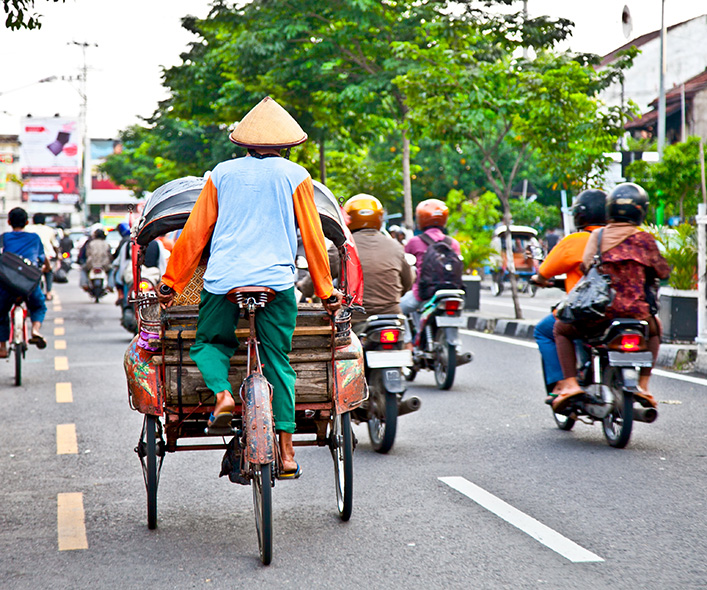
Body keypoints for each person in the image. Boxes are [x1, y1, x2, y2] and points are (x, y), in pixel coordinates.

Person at [156, 96, 342, 478]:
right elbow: (312, 236)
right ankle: (288, 453)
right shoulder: (297, 176)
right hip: (276, 282)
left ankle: (223, 395)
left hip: (224, 279)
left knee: (209, 342)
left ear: (243, 145)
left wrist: (171, 283)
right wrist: (326, 292)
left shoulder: (220, 174)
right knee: (278, 361)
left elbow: (195, 233)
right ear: (288, 146)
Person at [552, 183, 670, 412]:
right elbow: (662, 272)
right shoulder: (645, 240)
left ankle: (570, 384)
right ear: (641, 210)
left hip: (600, 316)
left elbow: (587, 267)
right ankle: (644, 384)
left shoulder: (598, 236)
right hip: (638, 316)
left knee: (560, 329)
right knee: (657, 330)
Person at [532, 189, 607, 399]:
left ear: (580, 215)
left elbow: (544, 272)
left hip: (587, 312)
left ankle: (563, 384)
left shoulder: (576, 240)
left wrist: (539, 280)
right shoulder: (625, 239)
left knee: (545, 330)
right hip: (622, 310)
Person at [343, 194, 413, 324]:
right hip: (391, 316)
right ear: (379, 218)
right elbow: (408, 282)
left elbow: (321, 276)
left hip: (355, 318)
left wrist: (304, 287)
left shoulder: (343, 246)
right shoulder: (395, 246)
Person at [400, 199, 462, 329]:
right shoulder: (453, 243)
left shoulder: (414, 242)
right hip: (451, 293)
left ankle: (407, 343)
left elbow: (404, 266)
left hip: (423, 293)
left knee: (397, 311)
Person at [0, 208, 48, 357]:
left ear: (9, 222)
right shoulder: (34, 238)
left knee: (1, 312)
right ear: (27, 222)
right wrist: (47, 267)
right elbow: (41, 258)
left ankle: (2, 346)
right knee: (39, 305)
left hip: (7, 283)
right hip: (28, 283)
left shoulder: (4, 237)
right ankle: (35, 330)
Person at [28, 213, 59, 301]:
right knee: (49, 272)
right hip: (48, 255)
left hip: (32, 256)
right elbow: (55, 245)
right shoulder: (49, 230)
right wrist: (57, 256)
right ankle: (48, 292)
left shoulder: (28, 229)